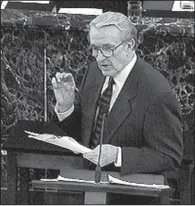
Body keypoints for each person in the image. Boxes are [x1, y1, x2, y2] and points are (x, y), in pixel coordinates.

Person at [52, 12, 183, 204]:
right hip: (88, 188)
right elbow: (85, 138)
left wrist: (118, 155)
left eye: (107, 48)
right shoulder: (95, 72)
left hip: (130, 195)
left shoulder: (156, 91)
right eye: (95, 48)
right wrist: (66, 106)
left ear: (129, 46)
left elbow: (169, 156)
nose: (100, 57)